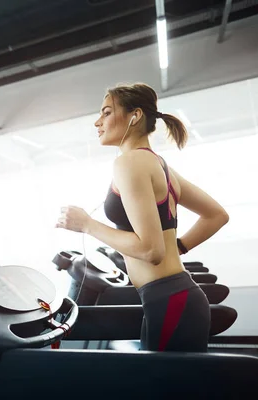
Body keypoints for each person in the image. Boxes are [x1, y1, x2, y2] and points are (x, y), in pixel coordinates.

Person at [55, 83, 229, 352]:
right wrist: (178, 248)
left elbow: (150, 250)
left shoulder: (130, 162)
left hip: (169, 298)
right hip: (172, 296)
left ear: (134, 116)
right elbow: (216, 216)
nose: (97, 122)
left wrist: (87, 225)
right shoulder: (159, 165)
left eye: (106, 112)